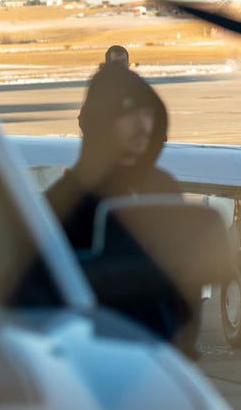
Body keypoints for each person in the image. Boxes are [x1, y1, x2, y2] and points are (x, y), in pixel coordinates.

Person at [45, 64, 186, 340]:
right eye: (127, 114)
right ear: (101, 120)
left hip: (161, 356)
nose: (142, 126)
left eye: (147, 113)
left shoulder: (163, 187)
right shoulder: (64, 202)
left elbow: (184, 278)